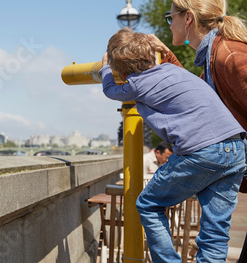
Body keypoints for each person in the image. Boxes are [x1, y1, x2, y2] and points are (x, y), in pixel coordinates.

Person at [100, 27, 246, 262]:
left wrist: (105, 67)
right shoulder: (170, 69)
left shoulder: (138, 83)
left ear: (121, 68)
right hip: (237, 147)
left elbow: (110, 90)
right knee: (215, 229)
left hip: (201, 150)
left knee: (149, 204)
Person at [160, 0, 247, 260]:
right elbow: (198, 100)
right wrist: (169, 61)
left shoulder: (228, 54)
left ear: (188, 19)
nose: (169, 24)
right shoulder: (212, 56)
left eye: (170, 17)